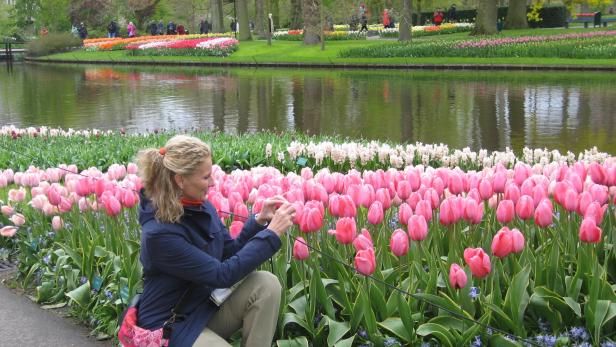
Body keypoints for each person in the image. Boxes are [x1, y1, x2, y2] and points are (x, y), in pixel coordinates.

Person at [134, 135, 296, 347]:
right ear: (180, 180)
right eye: (205, 177)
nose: (212, 183)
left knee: (266, 284)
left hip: (203, 309)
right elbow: (222, 275)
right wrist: (271, 234)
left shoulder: (198, 206)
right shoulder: (159, 235)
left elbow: (227, 253)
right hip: (168, 325)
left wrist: (258, 222)